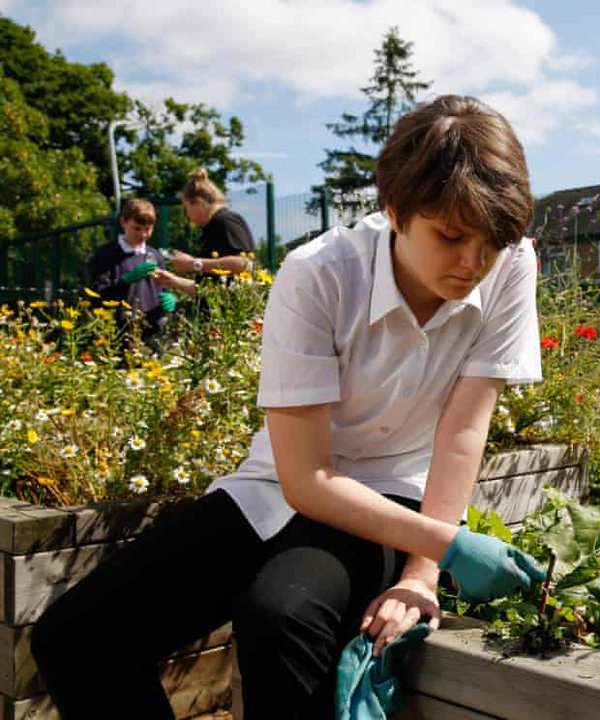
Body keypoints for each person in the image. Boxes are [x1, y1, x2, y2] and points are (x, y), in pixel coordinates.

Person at [32, 95, 546, 719]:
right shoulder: (319, 275)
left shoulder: (511, 264)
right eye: (452, 237)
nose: (474, 263)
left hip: (395, 494)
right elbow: (304, 481)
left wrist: (421, 571)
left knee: (281, 616)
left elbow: (464, 427)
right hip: (282, 484)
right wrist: (453, 543)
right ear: (394, 210)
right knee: (77, 637)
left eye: (491, 242)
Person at [87, 198, 176, 347]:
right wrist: (126, 280)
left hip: (151, 333)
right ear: (123, 222)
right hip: (117, 334)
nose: (143, 234)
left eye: (148, 229)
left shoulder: (154, 255)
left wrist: (169, 300)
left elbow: (163, 289)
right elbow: (97, 294)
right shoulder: (106, 254)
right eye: (137, 228)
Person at [156, 167, 255, 297]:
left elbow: (244, 264)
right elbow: (208, 289)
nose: (187, 215)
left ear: (199, 202)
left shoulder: (225, 221)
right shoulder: (212, 227)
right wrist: (173, 281)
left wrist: (192, 264)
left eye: (186, 208)